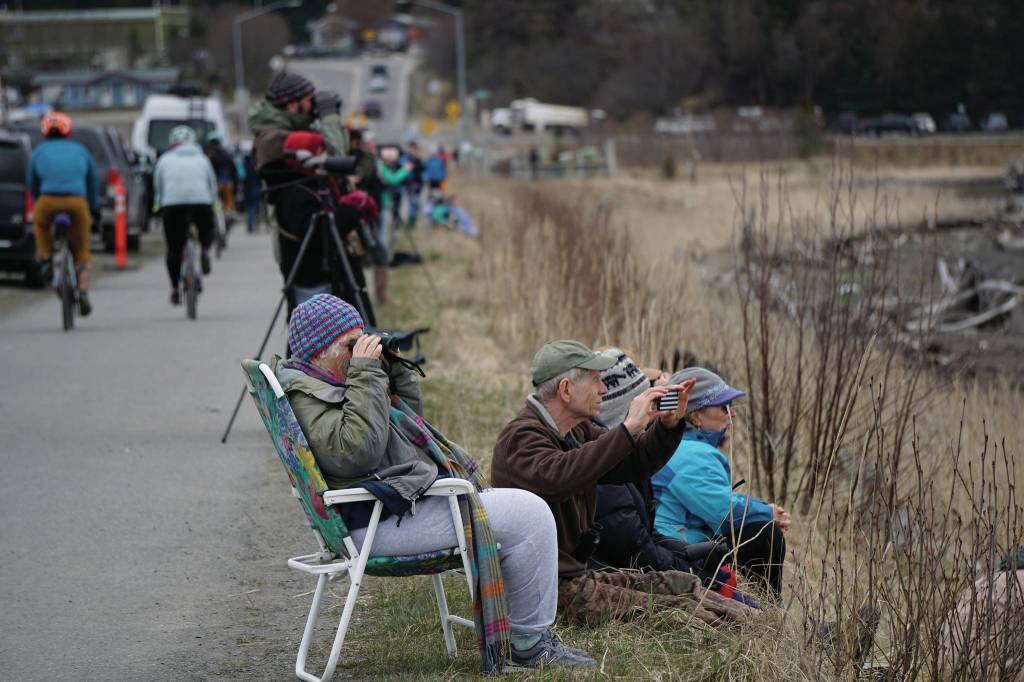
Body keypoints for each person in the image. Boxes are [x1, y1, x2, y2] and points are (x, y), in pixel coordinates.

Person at [274, 295, 596, 671]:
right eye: (352, 344)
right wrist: (365, 374)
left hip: (385, 509)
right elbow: (358, 452)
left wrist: (392, 372)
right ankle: (528, 645)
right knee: (531, 516)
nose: (360, 350)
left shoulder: (320, 384)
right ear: (319, 353)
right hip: (374, 522)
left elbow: (410, 428)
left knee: (522, 513)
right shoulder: (311, 397)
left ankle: (525, 636)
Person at [491, 340, 755, 627]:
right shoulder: (521, 438)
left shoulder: (574, 431)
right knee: (676, 607)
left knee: (682, 583)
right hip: (544, 589)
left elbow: (632, 462)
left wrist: (666, 427)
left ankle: (761, 622)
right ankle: (745, 632)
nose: (603, 390)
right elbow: (562, 474)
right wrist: (627, 428)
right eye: (595, 381)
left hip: (574, 575)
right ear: (566, 389)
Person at [589, 349, 752, 604]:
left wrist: (685, 555)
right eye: (647, 400)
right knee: (737, 602)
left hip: (641, 564)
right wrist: (690, 569)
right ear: (628, 409)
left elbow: (643, 535)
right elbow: (635, 552)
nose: (653, 408)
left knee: (729, 592)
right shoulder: (609, 468)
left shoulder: (624, 455)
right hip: (622, 581)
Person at [651, 367, 789, 600]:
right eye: (723, 407)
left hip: (670, 541)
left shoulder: (676, 445)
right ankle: (772, 609)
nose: (731, 414)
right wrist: (767, 512)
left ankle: (766, 610)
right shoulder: (691, 453)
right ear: (695, 415)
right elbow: (722, 512)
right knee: (765, 534)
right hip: (673, 548)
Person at [249, 71, 374, 324]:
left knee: (323, 321)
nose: (313, 107)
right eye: (309, 101)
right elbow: (336, 153)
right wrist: (329, 117)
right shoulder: (275, 138)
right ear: (292, 104)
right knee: (313, 327)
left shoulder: (282, 130)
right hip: (305, 246)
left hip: (311, 242)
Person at [27, 111, 99, 316]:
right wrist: (93, 207)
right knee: (81, 249)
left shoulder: (38, 152)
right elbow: (92, 181)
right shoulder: (80, 150)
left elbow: (32, 183)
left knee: (40, 226)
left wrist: (38, 200)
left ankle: (46, 257)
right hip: (77, 203)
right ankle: (83, 293)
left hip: (47, 201)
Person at [153, 125, 217, 305]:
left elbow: (158, 187)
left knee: (173, 249)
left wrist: (157, 205)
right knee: (206, 228)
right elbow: (211, 184)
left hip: (172, 205)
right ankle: (204, 250)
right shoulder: (203, 159)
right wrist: (214, 204)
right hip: (201, 202)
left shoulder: (164, 160)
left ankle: (174, 288)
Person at [204, 131, 238, 215]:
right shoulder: (226, 153)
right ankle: (227, 214)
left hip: (214, 184)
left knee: (215, 203)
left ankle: (216, 215)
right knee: (228, 203)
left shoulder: (206, 154)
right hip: (227, 182)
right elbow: (233, 169)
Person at [401, 141, 424, 228]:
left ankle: (412, 224)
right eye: (412, 148)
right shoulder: (405, 158)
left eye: (415, 148)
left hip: (417, 185)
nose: (413, 150)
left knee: (415, 204)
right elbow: (403, 167)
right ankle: (407, 224)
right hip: (408, 185)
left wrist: (418, 160)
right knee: (408, 204)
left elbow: (422, 168)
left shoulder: (418, 159)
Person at [241, 150, 263, 234]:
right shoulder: (254, 167)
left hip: (248, 190)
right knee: (254, 208)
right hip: (255, 189)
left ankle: (250, 224)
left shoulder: (245, 168)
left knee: (250, 208)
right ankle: (252, 224)